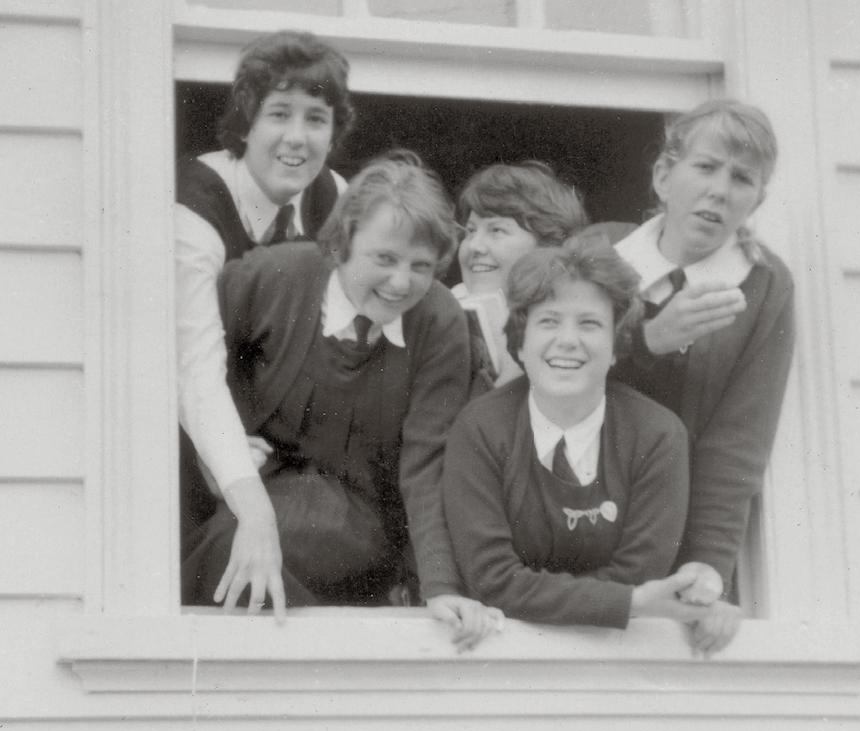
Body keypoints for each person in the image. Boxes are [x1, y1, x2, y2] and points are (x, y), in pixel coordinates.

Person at [185, 151, 503, 651]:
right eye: (384, 259)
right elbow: (188, 368)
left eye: (421, 266)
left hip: (361, 518)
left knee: (228, 551)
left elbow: (426, 464)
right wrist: (217, 453)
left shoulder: (437, 321)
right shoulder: (273, 277)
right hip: (244, 488)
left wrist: (440, 586)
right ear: (342, 242)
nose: (401, 283)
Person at [444, 234, 724, 647]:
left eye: (589, 324)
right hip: (498, 648)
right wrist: (625, 602)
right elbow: (492, 579)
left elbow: (639, 577)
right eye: (548, 321)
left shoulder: (658, 436)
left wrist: (620, 600)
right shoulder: (480, 429)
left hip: (615, 654)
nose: (568, 340)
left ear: (615, 347)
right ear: (520, 341)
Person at [608, 99, 795, 653]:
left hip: (669, 536)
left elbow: (739, 440)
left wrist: (708, 567)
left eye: (742, 179)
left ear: (756, 200)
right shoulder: (600, 254)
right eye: (706, 167)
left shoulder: (763, 285)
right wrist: (646, 341)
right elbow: (544, 381)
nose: (720, 191)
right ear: (664, 176)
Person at [175, 30, 354, 608]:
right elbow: (194, 373)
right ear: (246, 122)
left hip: (283, 446)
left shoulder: (336, 201)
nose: (297, 138)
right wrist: (251, 506)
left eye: (316, 118)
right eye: (279, 114)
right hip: (187, 438)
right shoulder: (193, 208)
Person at [454, 162, 588, 390]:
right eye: (471, 230)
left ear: (546, 246)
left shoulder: (572, 331)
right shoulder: (439, 309)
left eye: (497, 230)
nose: (475, 245)